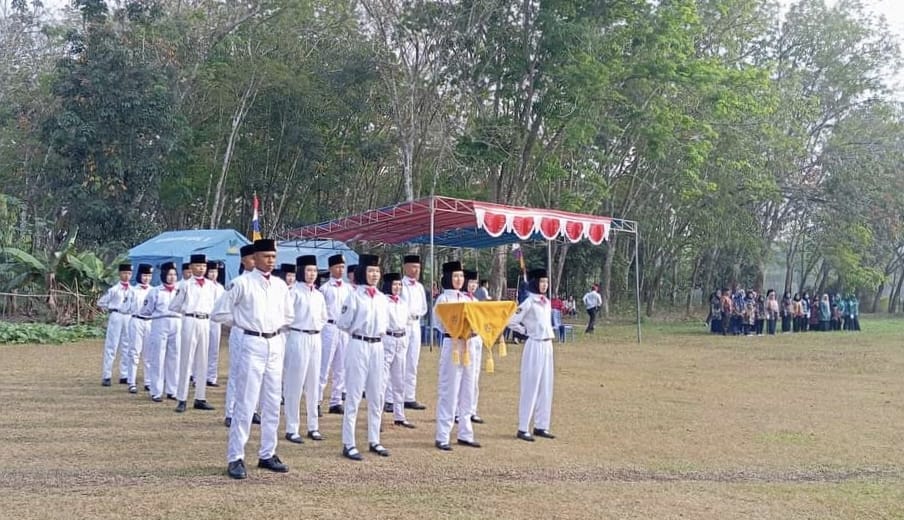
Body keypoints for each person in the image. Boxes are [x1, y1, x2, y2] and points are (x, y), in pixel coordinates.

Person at [212, 238, 294, 480]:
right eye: (266, 256)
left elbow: (289, 315)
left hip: (275, 342)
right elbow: (219, 312)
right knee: (246, 401)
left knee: (272, 401)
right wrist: (241, 323)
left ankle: (268, 452)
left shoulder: (280, 286)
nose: (270, 260)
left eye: (273, 256)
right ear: (255, 257)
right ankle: (236, 456)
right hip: (251, 342)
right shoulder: (241, 283)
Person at [336, 254, 391, 460]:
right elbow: (343, 322)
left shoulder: (381, 298)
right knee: (354, 395)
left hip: (377, 345)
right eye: (370, 271)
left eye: (377, 271)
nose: (374, 275)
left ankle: (374, 439)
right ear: (362, 273)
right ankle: (348, 442)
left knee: (377, 395)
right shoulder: (354, 296)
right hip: (358, 343)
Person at [433, 261, 480, 451]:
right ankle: (443, 435)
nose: (459, 280)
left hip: (468, 345)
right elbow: (439, 322)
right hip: (452, 344)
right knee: (449, 390)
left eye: (461, 276)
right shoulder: (443, 299)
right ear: (448, 278)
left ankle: (465, 433)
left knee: (468, 390)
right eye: (455, 276)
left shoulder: (470, 300)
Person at [508, 268, 556, 442]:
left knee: (546, 386)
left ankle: (541, 425)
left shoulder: (547, 302)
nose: (544, 285)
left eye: (546, 282)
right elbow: (512, 320)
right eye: (541, 281)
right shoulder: (529, 301)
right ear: (535, 282)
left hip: (547, 344)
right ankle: (523, 427)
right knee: (531, 386)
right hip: (534, 344)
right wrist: (525, 331)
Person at [283, 255, 328, 444]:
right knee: (295, 384)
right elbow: (285, 316)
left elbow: (324, 317)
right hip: (297, 335)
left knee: (313, 382)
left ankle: (313, 426)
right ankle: (292, 428)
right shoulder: (293, 292)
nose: (312, 274)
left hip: (315, 337)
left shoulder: (318, 294)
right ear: (301, 271)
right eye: (308, 270)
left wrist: (316, 327)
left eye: (314, 271)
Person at [170, 254, 217, 413]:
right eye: (198, 266)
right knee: (186, 359)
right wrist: (186, 311)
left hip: (205, 321)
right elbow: (174, 305)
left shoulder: (211, 286)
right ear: (191, 267)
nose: (201, 268)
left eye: (204, 266)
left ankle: (200, 397)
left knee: (203, 360)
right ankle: (182, 398)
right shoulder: (185, 285)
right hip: (190, 319)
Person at [224, 245, 258, 427]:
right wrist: (237, 323)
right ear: (244, 260)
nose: (256, 261)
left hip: (258, 336)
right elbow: (223, 312)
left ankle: (251, 410)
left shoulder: (265, 283)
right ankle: (230, 412)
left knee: (255, 374)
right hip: (241, 332)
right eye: (252, 258)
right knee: (237, 373)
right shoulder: (237, 282)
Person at [381, 272, 415, 429]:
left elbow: (408, 321)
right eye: (395, 284)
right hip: (387, 339)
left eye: (400, 285)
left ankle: (399, 415)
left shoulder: (403, 303)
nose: (397, 287)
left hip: (401, 340)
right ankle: (377, 418)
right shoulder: (382, 301)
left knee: (399, 379)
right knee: (382, 380)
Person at [320, 254, 352, 416]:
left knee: (342, 366)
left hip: (343, 329)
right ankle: (317, 400)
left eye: (343, 267)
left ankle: (336, 401)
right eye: (338, 267)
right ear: (331, 268)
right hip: (329, 326)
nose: (341, 270)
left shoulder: (348, 289)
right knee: (324, 365)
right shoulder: (324, 289)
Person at [396, 255, 428, 411]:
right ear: (406, 267)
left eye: (418, 267)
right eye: (413, 267)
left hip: (416, 324)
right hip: (403, 324)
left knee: (413, 361)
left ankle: (409, 396)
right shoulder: (400, 285)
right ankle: (394, 398)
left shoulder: (420, 287)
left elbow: (423, 307)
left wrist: (417, 316)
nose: (416, 270)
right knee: (399, 360)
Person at [146, 263, 181, 402]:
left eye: (174, 274)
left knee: (175, 357)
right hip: (160, 321)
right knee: (158, 357)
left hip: (177, 322)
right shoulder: (155, 291)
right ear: (163, 276)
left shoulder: (180, 290)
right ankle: (156, 391)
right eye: (169, 274)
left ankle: (172, 390)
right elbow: (147, 309)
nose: (172, 277)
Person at [98, 263, 134, 386]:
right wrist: (110, 308)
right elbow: (101, 302)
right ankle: (107, 375)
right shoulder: (114, 289)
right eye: (125, 273)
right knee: (111, 345)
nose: (127, 276)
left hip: (128, 316)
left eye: (129, 274)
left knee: (127, 345)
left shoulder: (133, 290)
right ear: (120, 274)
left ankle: (124, 374)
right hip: (117, 315)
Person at [125, 264, 154, 394]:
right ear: (139, 276)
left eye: (149, 276)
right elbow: (126, 306)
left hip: (150, 322)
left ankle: (148, 381)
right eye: (144, 275)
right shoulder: (133, 291)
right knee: (134, 351)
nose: (146, 278)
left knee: (149, 353)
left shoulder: (153, 290)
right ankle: (131, 381)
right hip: (136, 320)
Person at [462, 270, 485, 424]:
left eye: (475, 283)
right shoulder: (460, 299)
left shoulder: (476, 301)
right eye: (470, 283)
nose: (473, 286)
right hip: (465, 340)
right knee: (465, 376)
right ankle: (460, 410)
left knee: (475, 376)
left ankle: (472, 409)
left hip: (477, 339)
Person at [205, 261, 226, 388]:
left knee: (214, 349)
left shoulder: (220, 288)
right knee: (201, 349)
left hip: (215, 320)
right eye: (211, 272)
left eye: (215, 272)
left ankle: (211, 377)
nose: (213, 274)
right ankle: (197, 376)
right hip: (204, 318)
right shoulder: (204, 286)